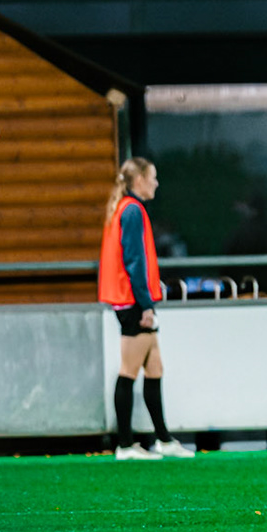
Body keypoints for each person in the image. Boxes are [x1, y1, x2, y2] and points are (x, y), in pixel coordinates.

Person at [98, 157, 187, 461]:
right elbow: (134, 261)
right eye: (153, 177)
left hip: (129, 299)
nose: (156, 183)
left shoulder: (124, 207)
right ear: (139, 181)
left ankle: (163, 439)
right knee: (129, 371)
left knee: (155, 367)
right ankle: (125, 445)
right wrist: (146, 305)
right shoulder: (133, 210)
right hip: (132, 302)